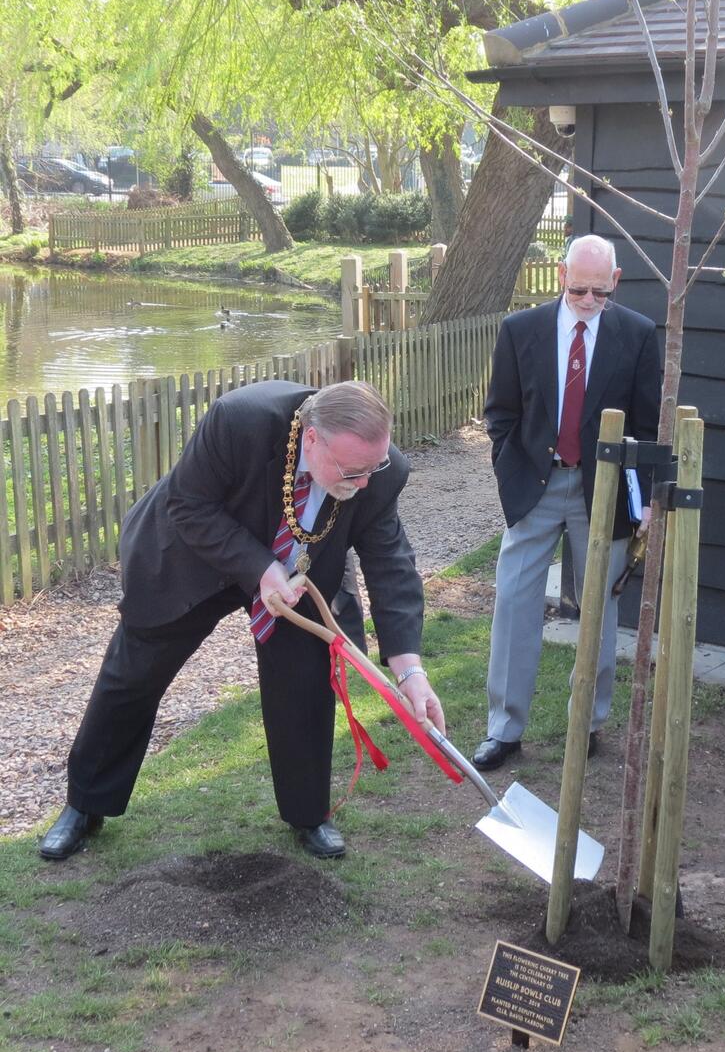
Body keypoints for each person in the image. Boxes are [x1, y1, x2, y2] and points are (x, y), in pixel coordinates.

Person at [39, 380, 445, 861]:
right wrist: (259, 569)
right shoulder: (240, 419)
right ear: (311, 439)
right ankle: (86, 804)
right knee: (134, 674)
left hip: (298, 570)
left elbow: (390, 565)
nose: (363, 484)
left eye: (372, 468)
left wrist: (411, 672)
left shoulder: (380, 473)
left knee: (304, 681)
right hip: (197, 553)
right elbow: (187, 503)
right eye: (352, 471)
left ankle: (308, 812)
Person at [472, 234, 661, 771]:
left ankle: (589, 723)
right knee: (513, 602)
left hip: (600, 491)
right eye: (578, 288)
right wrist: (509, 469)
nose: (587, 299)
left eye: (599, 292)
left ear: (615, 283)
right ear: (560, 276)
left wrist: (641, 501)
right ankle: (504, 730)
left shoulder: (638, 335)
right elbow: (500, 412)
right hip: (535, 483)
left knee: (598, 607)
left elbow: (647, 425)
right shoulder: (521, 330)